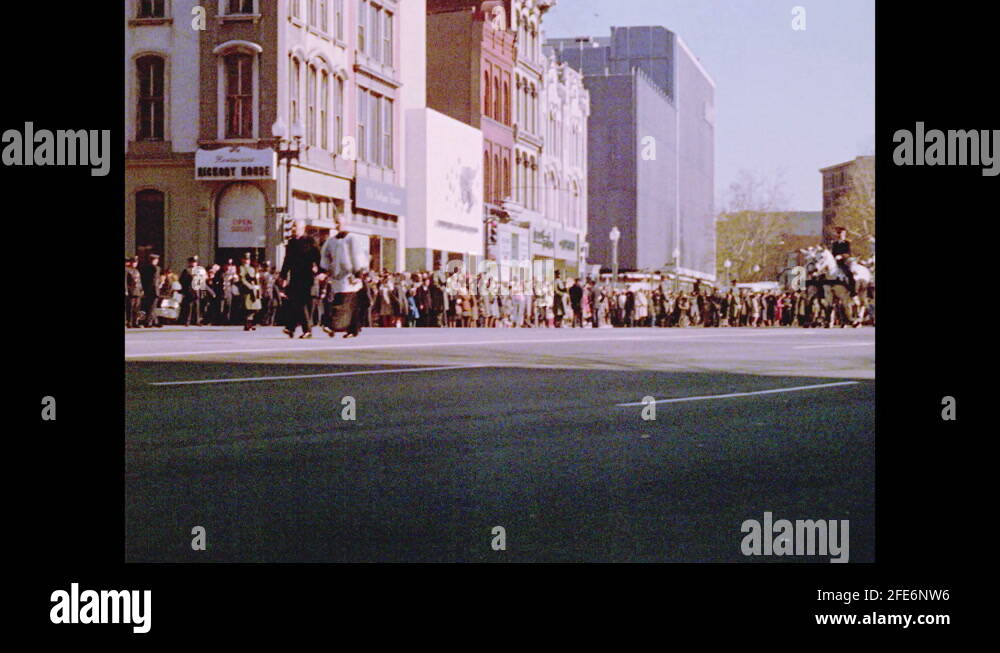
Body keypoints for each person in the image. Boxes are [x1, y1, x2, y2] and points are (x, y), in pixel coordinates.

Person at [319, 215, 369, 338]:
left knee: (345, 303)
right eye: (335, 222)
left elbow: (357, 256)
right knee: (345, 303)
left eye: (339, 223)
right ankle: (352, 329)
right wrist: (324, 271)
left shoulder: (352, 239)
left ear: (346, 223)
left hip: (349, 277)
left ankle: (333, 325)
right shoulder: (330, 241)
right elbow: (325, 256)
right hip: (337, 277)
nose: (337, 225)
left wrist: (358, 274)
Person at [279, 221, 321, 338]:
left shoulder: (310, 241)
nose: (293, 229)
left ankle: (305, 330)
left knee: (301, 303)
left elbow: (318, 256)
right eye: (293, 227)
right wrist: (282, 276)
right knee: (295, 303)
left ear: (303, 228)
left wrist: (320, 271)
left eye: (295, 227)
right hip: (295, 276)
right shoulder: (291, 243)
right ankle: (291, 327)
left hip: (306, 277)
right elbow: (287, 260)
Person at [239, 252, 262, 331]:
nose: (246, 261)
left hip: (254, 290)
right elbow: (242, 279)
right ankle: (247, 324)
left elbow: (256, 279)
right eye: (245, 259)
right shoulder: (242, 268)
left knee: (255, 308)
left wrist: (258, 288)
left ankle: (251, 323)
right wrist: (250, 286)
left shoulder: (252, 268)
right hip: (247, 290)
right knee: (248, 308)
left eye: (248, 259)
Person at [138, 253, 162, 328]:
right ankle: (148, 322)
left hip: (149, 290)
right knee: (151, 307)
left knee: (151, 306)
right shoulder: (155, 268)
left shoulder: (145, 268)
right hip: (153, 290)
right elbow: (153, 281)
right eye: (155, 260)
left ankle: (154, 321)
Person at [831, 226, 856, 296]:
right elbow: (833, 253)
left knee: (850, 274)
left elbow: (848, 253)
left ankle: (853, 292)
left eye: (844, 233)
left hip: (844, 262)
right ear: (839, 234)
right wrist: (835, 256)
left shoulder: (847, 243)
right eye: (842, 233)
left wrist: (841, 256)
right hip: (835, 261)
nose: (843, 235)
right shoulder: (834, 244)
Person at [125, 256, 144, 328]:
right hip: (131, 291)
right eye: (133, 262)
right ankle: (129, 322)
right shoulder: (127, 270)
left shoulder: (136, 271)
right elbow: (125, 281)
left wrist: (141, 290)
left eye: (136, 262)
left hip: (137, 291)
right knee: (130, 308)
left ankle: (135, 322)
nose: (134, 264)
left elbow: (139, 282)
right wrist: (126, 290)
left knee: (137, 308)